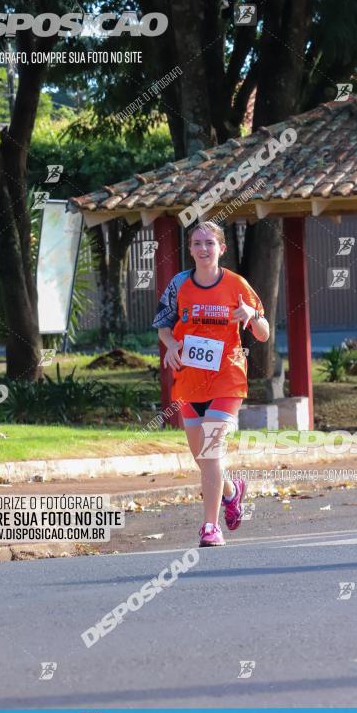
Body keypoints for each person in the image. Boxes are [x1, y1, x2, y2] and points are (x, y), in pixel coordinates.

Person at [152, 221, 270, 547]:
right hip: (189, 381)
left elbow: (264, 333)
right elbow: (163, 326)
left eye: (210, 243)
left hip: (227, 378)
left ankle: (209, 526)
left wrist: (252, 315)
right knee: (204, 460)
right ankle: (232, 493)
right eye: (197, 243)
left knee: (212, 449)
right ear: (190, 249)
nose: (204, 249)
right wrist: (172, 346)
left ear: (222, 248)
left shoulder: (237, 285)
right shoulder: (178, 284)